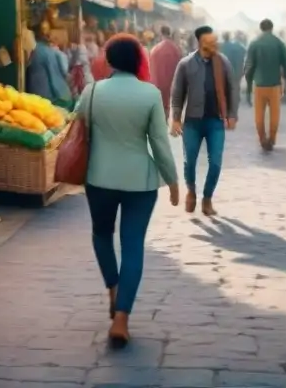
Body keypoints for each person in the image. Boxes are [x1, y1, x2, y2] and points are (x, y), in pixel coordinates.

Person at [79, 34, 179, 348]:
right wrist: (173, 181)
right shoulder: (150, 94)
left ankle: (113, 288)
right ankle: (121, 318)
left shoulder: (92, 92)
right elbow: (160, 144)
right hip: (140, 182)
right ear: (139, 61)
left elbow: (77, 125)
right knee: (133, 245)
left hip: (99, 178)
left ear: (108, 60)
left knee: (101, 235)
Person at [170, 26, 238, 216]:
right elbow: (177, 93)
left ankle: (207, 198)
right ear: (200, 43)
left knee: (215, 162)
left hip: (215, 121)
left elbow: (232, 89)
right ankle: (191, 191)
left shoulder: (223, 63)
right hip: (192, 121)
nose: (214, 45)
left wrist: (232, 114)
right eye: (210, 42)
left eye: (215, 41)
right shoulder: (185, 64)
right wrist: (176, 118)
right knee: (189, 162)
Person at [243, 19, 286, 151]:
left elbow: (249, 66)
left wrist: (248, 85)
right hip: (275, 85)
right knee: (274, 114)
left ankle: (262, 139)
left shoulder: (254, 44)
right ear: (272, 27)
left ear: (261, 28)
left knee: (259, 115)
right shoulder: (279, 43)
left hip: (259, 85)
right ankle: (272, 139)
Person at [25, 25, 73, 108]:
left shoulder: (35, 51)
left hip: (47, 98)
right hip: (61, 94)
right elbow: (64, 70)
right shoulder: (52, 51)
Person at [149, 25, 183, 117]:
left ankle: (162, 122)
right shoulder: (176, 49)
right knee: (169, 105)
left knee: (161, 105)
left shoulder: (155, 49)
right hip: (172, 83)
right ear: (170, 33)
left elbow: (151, 68)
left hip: (158, 83)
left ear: (160, 34)